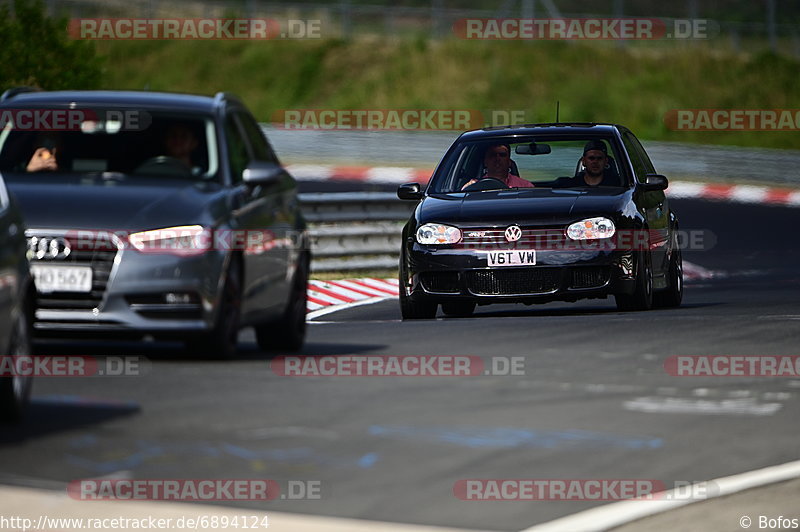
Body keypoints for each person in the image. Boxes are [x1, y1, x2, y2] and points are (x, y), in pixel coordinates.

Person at [462, 143, 534, 190]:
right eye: (492, 155)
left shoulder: (525, 186)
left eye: (502, 155)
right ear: (485, 162)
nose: (497, 159)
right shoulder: (473, 187)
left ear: (509, 162)